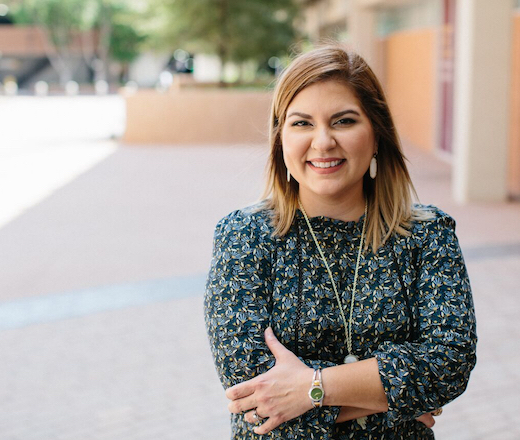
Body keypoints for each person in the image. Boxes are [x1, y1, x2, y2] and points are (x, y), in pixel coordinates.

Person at [204, 45, 477, 439]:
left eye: (343, 121)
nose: (323, 141)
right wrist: (393, 399)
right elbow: (253, 391)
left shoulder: (426, 235)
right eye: (302, 124)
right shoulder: (244, 236)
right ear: (281, 139)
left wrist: (310, 389)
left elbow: (448, 363)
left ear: (377, 133)